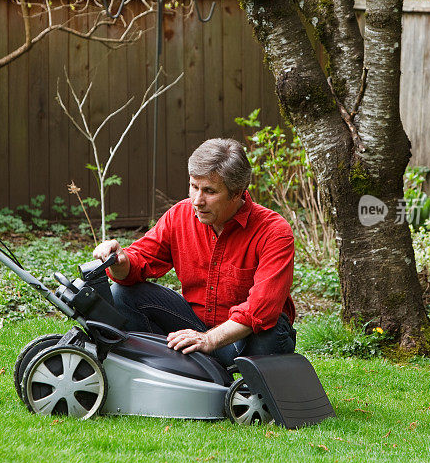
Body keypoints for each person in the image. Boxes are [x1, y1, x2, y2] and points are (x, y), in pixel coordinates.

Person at [92, 138, 296, 367]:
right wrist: (120, 261)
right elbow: (140, 260)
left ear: (237, 193)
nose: (197, 201)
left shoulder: (274, 231)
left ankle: (238, 386)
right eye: (194, 187)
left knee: (270, 330)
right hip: (195, 326)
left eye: (209, 191)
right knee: (122, 294)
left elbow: (262, 309)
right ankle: (172, 371)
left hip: (243, 336)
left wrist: (209, 339)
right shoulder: (180, 215)